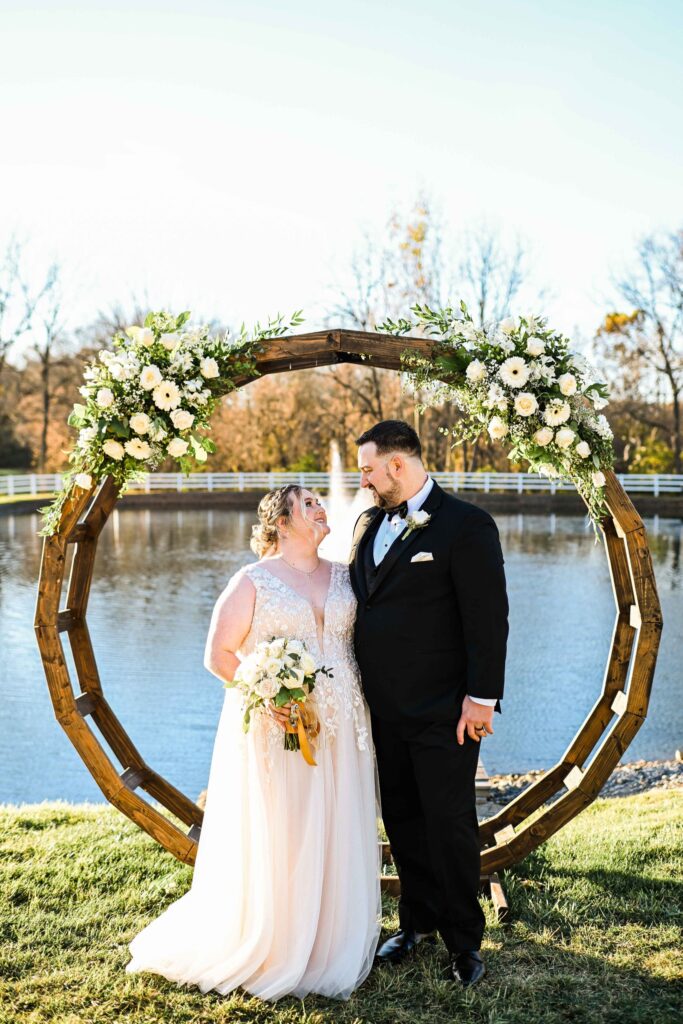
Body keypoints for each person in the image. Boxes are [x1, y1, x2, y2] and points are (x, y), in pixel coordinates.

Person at [126, 485, 381, 1001]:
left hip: (344, 725)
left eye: (319, 500)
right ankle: (279, 941)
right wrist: (267, 694)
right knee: (288, 828)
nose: (320, 507)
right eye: (308, 503)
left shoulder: (344, 575)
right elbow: (219, 654)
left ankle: (330, 938)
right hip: (281, 728)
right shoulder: (252, 581)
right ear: (281, 523)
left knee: (338, 822)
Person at [350, 420, 509, 988]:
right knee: (403, 820)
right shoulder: (368, 523)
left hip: (446, 711)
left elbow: (487, 621)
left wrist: (481, 700)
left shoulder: (467, 525)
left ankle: (464, 941)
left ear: (397, 464)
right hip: (382, 710)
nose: (362, 480)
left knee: (449, 823)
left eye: (368, 469)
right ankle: (414, 924)